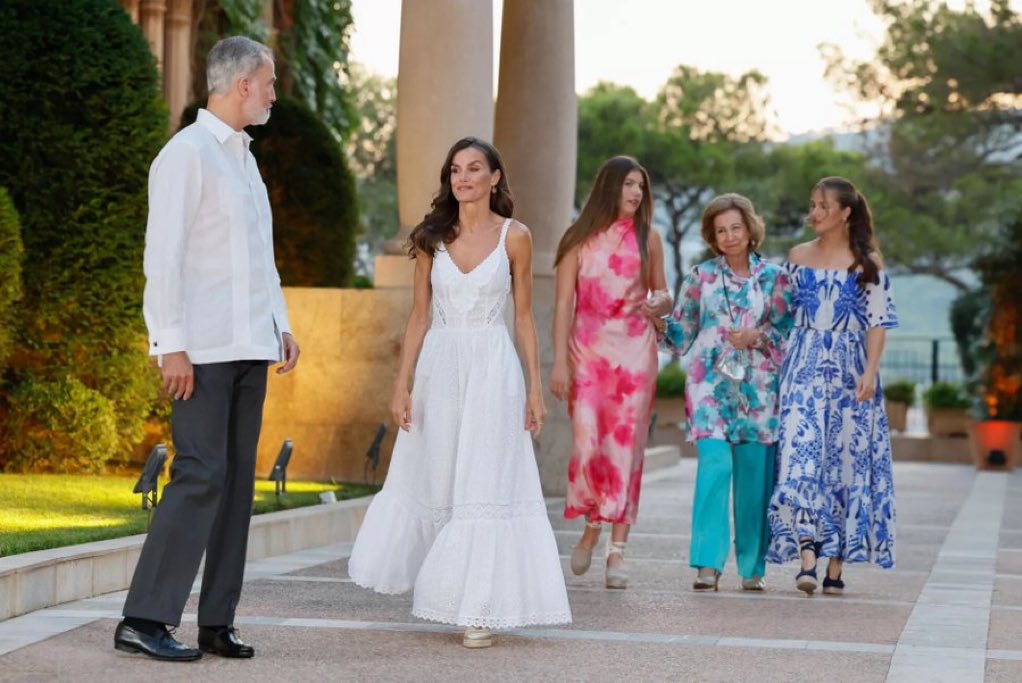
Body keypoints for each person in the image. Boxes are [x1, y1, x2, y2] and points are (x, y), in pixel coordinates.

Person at [114, 36, 300, 661]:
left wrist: (281, 322)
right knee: (200, 475)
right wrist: (169, 344)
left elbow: (259, 258)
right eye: (269, 83)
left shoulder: (245, 160)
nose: (274, 94)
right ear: (243, 83)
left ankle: (216, 621)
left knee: (236, 487)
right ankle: (143, 618)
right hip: (203, 350)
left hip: (251, 346)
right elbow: (161, 258)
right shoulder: (186, 155)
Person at [347, 137, 571, 649]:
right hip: (440, 370)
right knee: (441, 476)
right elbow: (419, 316)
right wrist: (401, 384)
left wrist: (535, 390)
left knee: (484, 482)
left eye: (474, 169)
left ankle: (479, 609)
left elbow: (523, 319)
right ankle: (446, 588)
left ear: (495, 177)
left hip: (493, 369)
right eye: (455, 170)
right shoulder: (432, 238)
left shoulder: (516, 237)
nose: (463, 178)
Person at [768, 176, 899, 595]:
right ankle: (807, 555)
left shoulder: (868, 264)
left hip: (850, 374)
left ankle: (836, 563)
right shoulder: (796, 256)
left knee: (846, 465)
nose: (814, 213)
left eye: (823, 206)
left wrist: (871, 371)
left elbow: (878, 323)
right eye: (812, 205)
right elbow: (779, 315)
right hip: (802, 369)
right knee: (798, 458)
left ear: (845, 213)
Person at [550, 156, 671, 590]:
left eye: (640, 185)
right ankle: (591, 526)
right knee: (587, 446)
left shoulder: (649, 237)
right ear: (608, 189)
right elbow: (564, 304)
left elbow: (662, 293)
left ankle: (616, 550)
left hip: (636, 354)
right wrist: (560, 360)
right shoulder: (577, 240)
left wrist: (662, 305)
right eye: (627, 185)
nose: (636, 194)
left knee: (625, 449)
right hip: (587, 354)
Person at [665, 194, 791, 592]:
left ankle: (753, 566)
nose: (730, 236)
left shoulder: (774, 278)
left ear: (750, 229)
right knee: (715, 465)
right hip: (708, 385)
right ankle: (707, 562)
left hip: (758, 388)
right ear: (712, 237)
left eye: (736, 227)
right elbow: (680, 336)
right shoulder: (700, 277)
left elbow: (787, 335)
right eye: (721, 231)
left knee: (755, 480)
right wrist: (655, 316)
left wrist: (757, 336)